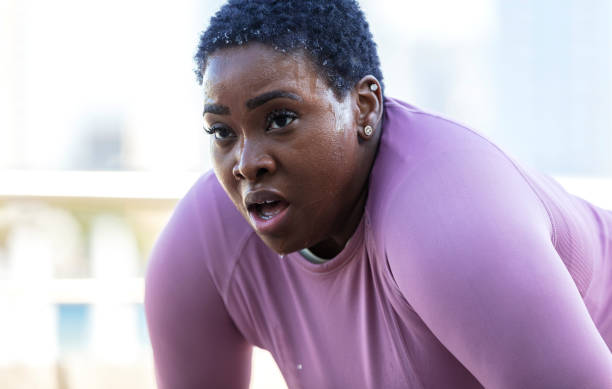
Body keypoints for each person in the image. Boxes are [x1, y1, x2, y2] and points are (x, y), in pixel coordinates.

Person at [144, 0, 612, 387]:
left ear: (364, 106)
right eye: (222, 132)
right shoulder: (202, 248)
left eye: (280, 119)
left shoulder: (448, 223)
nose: (247, 163)